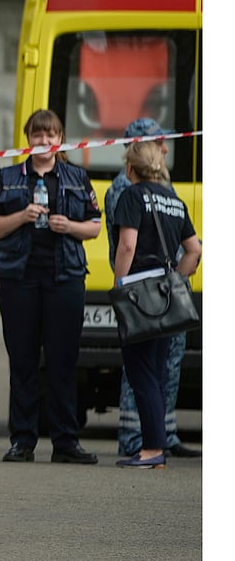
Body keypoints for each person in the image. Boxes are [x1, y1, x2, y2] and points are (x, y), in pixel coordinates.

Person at [0, 109, 101, 465]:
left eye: (51, 135)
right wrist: (21, 216)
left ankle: (66, 441)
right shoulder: (7, 177)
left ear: (60, 138)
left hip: (65, 278)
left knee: (64, 361)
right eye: (38, 135)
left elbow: (95, 226)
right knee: (23, 361)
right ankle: (23, 440)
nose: (44, 142)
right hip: (19, 279)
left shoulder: (77, 177)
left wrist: (70, 227)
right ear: (28, 139)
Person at [105, 118, 202, 459]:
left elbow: (126, 246)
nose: (164, 147)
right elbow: (195, 248)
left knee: (142, 370)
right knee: (158, 369)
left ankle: (149, 445)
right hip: (168, 294)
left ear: (132, 163)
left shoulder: (133, 192)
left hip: (140, 293)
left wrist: (120, 286)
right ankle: (151, 439)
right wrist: (178, 279)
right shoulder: (170, 196)